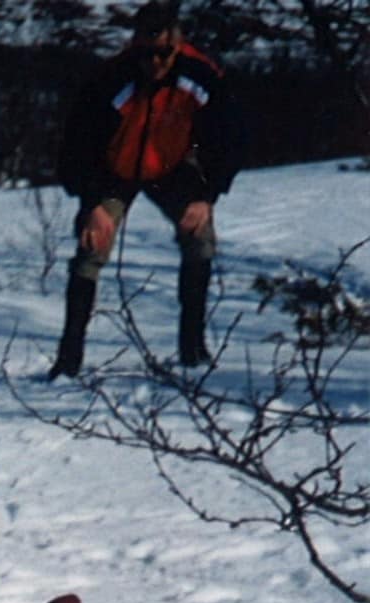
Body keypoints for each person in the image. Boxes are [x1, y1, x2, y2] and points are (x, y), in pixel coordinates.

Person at [49, 1, 246, 380]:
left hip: (171, 169)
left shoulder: (200, 77)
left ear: (177, 43)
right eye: (146, 53)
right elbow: (76, 146)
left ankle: (193, 351)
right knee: (91, 247)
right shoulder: (111, 80)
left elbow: (229, 139)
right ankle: (68, 359)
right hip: (112, 173)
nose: (154, 63)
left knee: (199, 238)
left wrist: (206, 195)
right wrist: (93, 203)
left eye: (162, 53)